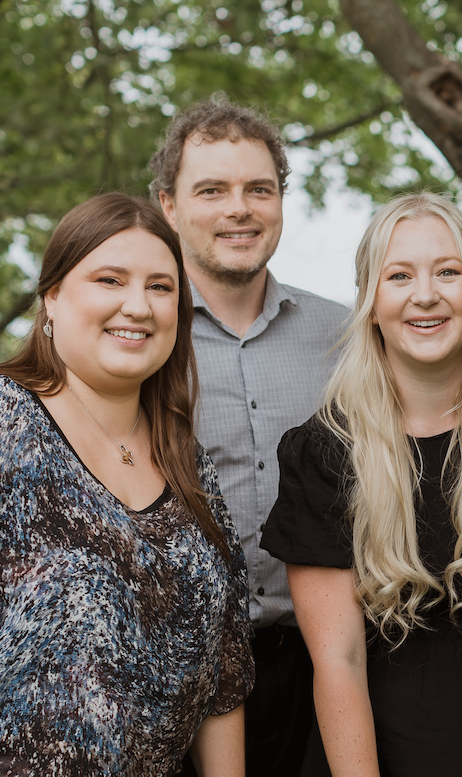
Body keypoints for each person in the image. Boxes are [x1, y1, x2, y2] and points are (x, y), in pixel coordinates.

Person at [0, 193, 251, 776]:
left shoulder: (186, 463)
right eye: (110, 280)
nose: (138, 306)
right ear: (52, 296)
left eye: (161, 287)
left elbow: (224, 672)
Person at [261, 192, 462, 776]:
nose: (425, 294)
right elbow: (339, 661)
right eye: (399, 275)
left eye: (448, 272)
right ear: (369, 301)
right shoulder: (325, 452)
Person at [149, 94, 348, 772]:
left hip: (325, 665)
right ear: (169, 205)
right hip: (176, 673)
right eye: (212, 190)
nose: (240, 209)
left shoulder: (345, 336)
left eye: (259, 189)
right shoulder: (137, 336)